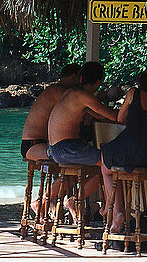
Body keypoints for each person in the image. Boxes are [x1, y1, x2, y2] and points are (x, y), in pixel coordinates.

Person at [46, 62, 119, 222]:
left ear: (80, 77)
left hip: (55, 149)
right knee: (107, 162)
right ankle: (77, 200)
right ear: (98, 83)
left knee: (100, 166)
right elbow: (113, 117)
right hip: (66, 148)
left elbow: (97, 114)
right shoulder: (83, 96)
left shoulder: (71, 93)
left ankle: (71, 199)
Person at [100, 71, 147, 235]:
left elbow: (120, 118)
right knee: (116, 168)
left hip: (130, 149)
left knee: (106, 168)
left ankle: (117, 212)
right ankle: (121, 212)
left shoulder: (133, 93)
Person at [20, 63, 81, 162]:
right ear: (74, 77)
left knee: (73, 154)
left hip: (41, 144)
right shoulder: (58, 92)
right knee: (72, 156)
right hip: (34, 145)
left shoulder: (56, 90)